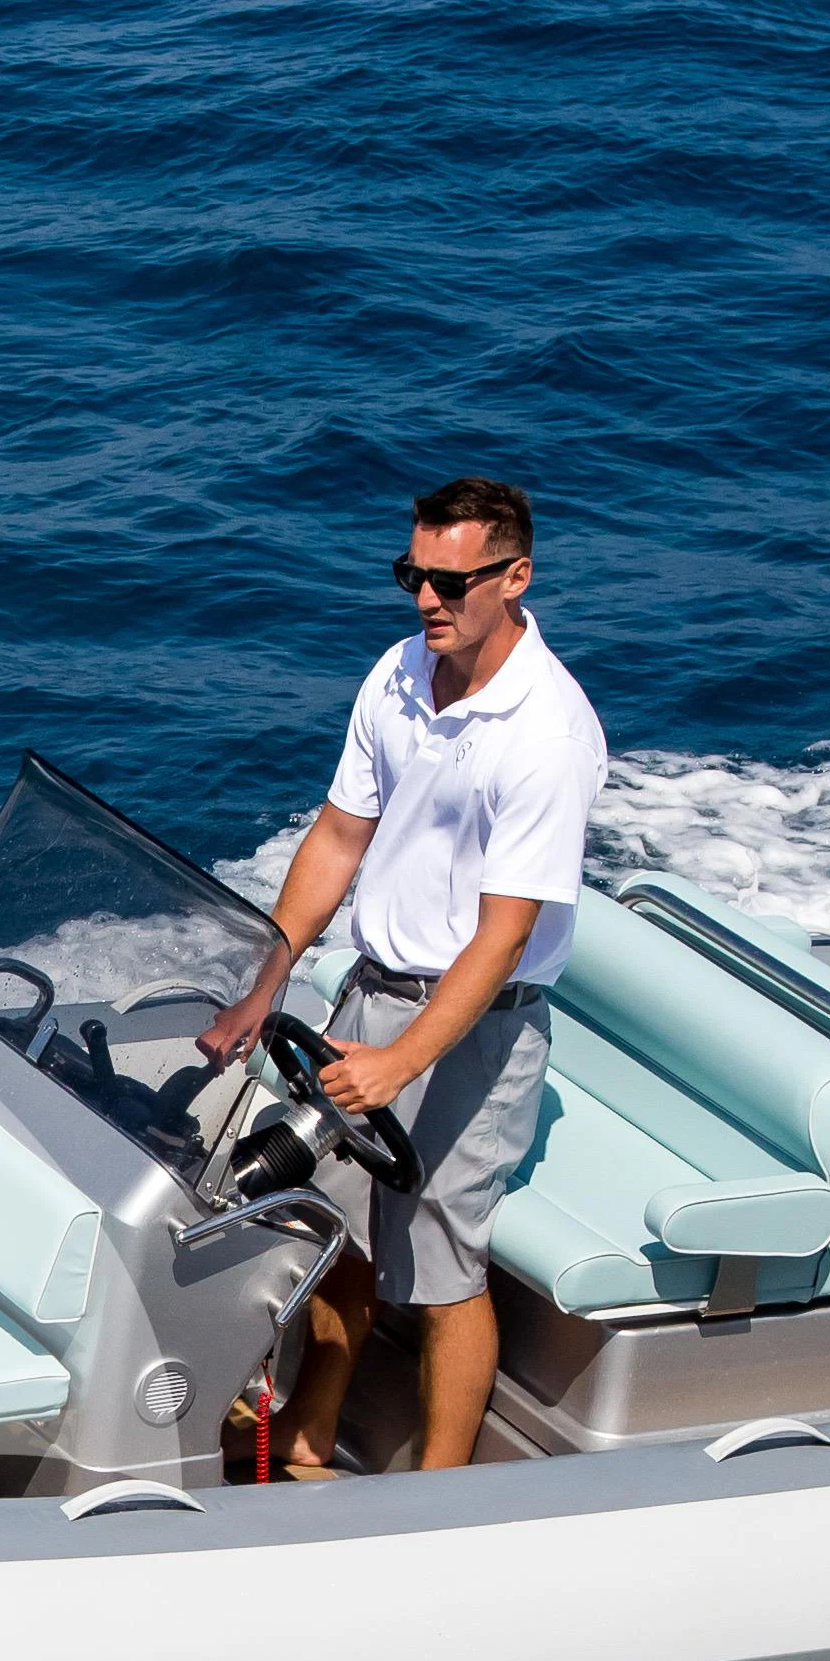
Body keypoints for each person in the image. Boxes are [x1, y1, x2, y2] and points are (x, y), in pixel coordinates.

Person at [197, 474, 607, 1474]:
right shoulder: (399, 673)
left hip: (478, 1024)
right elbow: (339, 838)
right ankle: (309, 1428)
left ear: (515, 577)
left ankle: (441, 1493)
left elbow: (502, 940)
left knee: (440, 1272)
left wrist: (402, 1061)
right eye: (412, 575)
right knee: (330, 1227)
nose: (427, 599)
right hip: (371, 992)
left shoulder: (547, 735)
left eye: (450, 583)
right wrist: (267, 980)